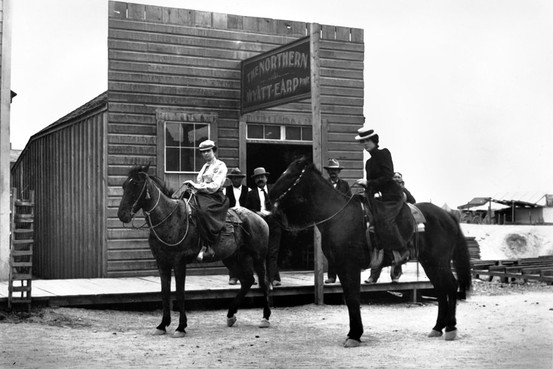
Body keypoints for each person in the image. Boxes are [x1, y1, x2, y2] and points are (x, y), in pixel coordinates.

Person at [353, 127, 410, 284]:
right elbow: (373, 185)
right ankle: (375, 271)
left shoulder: (384, 153)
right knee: (372, 229)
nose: (365, 144)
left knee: (385, 222)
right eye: (362, 142)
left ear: (374, 141)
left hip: (393, 197)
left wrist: (369, 182)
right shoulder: (369, 162)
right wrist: (365, 188)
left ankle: (403, 251)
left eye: (367, 141)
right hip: (379, 199)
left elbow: (387, 176)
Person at [183, 140, 229, 262]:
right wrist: (192, 188)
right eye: (203, 152)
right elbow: (201, 183)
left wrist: (196, 186)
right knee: (185, 205)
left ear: (214, 151)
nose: (205, 154)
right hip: (202, 195)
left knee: (202, 211)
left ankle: (208, 245)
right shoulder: (205, 167)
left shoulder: (220, 166)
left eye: (208, 151)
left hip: (215, 197)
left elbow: (214, 186)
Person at [245, 167, 282, 287]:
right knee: (260, 252)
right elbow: (247, 209)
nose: (260, 179)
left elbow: (282, 204)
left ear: (266, 178)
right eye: (257, 178)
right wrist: (257, 213)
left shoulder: (274, 190)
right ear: (255, 180)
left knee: (272, 252)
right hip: (259, 225)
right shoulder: (251, 194)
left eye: (262, 177)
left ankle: (270, 281)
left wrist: (274, 211)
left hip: (274, 224)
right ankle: (266, 278)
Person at [323, 158, 351, 284]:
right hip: (329, 222)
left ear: (338, 172)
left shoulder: (344, 185)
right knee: (331, 250)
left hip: (342, 223)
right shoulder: (324, 184)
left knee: (343, 250)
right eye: (331, 170)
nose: (333, 173)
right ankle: (332, 276)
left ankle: (343, 276)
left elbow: (349, 200)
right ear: (328, 172)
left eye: (335, 170)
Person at [224, 168, 250, 285]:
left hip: (244, 221)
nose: (236, 180)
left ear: (241, 179)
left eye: (238, 178)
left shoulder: (248, 190)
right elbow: (223, 206)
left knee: (246, 249)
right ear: (231, 179)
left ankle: (247, 276)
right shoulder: (226, 190)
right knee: (232, 249)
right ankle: (233, 276)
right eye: (234, 178)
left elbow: (250, 207)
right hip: (231, 221)